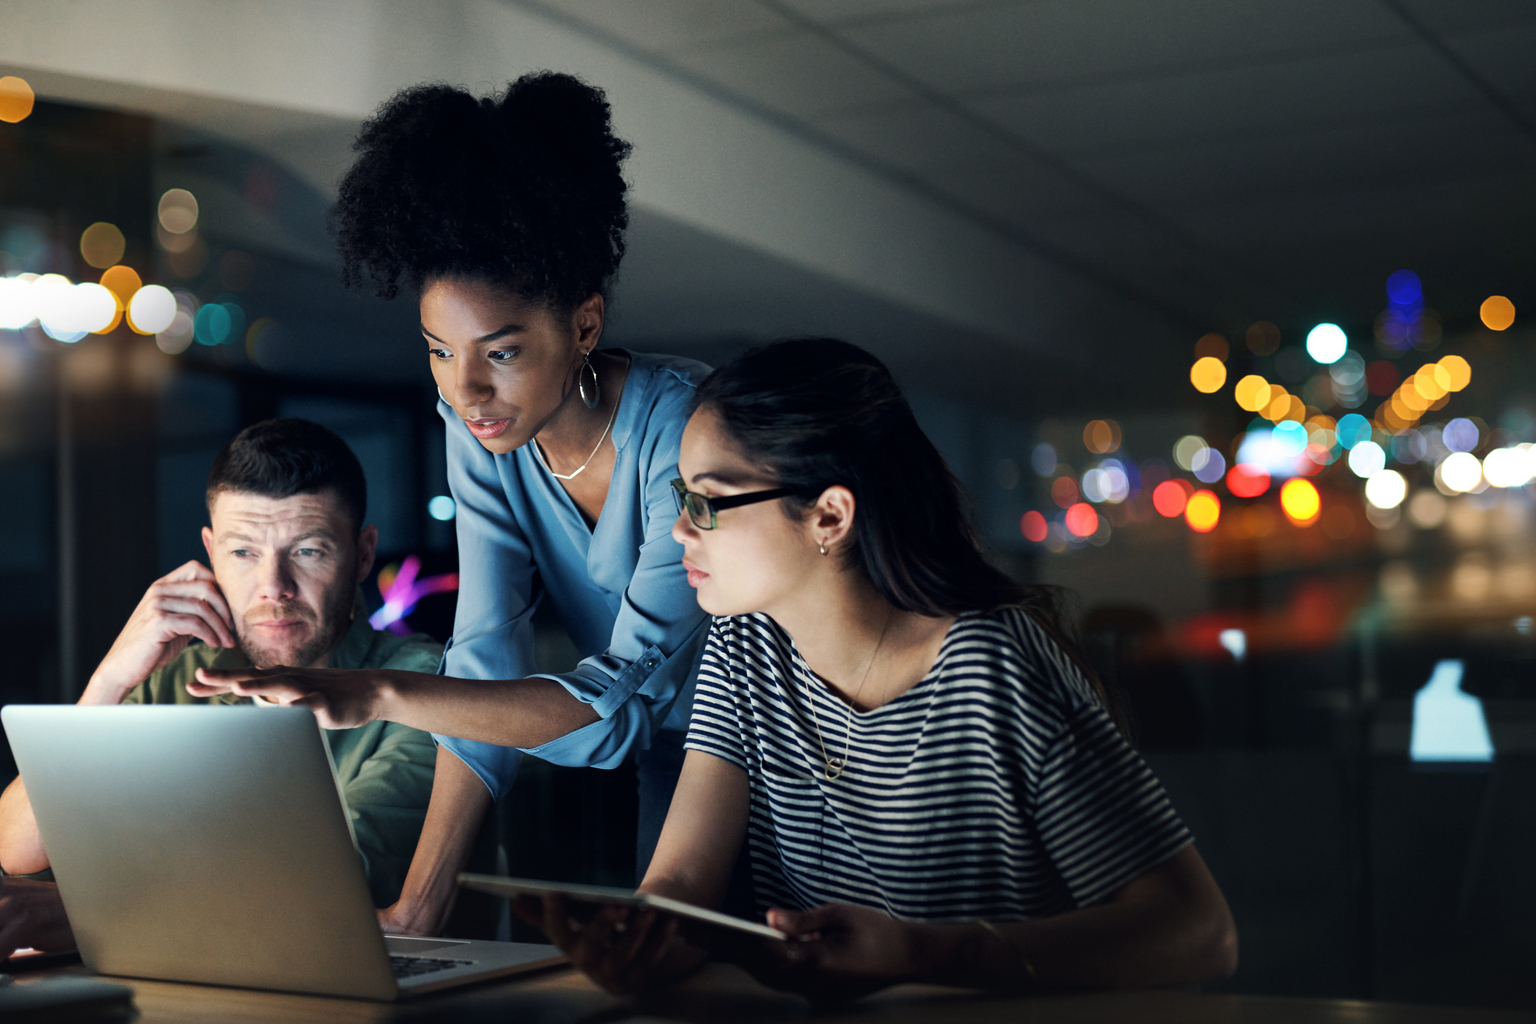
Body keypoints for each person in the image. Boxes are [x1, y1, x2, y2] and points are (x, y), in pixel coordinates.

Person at [515, 339, 1238, 1000]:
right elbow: (679, 894)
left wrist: (922, 953)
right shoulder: (743, 650)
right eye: (682, 499)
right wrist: (634, 946)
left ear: (829, 516)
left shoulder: (996, 665)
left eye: (707, 502)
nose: (679, 530)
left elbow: (1199, 933)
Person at [189, 73, 711, 936]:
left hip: (781, 750)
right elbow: (482, 661)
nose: (466, 389)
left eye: (500, 352)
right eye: (438, 351)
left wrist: (380, 693)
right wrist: (417, 909)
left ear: (584, 325)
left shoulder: (685, 430)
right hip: (669, 761)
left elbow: (611, 711)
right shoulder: (482, 431)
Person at [0, 418, 441, 911]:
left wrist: (90, 910)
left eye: (308, 550)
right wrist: (109, 680)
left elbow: (332, 878)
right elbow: (19, 852)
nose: (274, 585)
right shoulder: (179, 677)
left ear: (362, 556)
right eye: (243, 552)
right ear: (211, 553)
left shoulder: (425, 685)